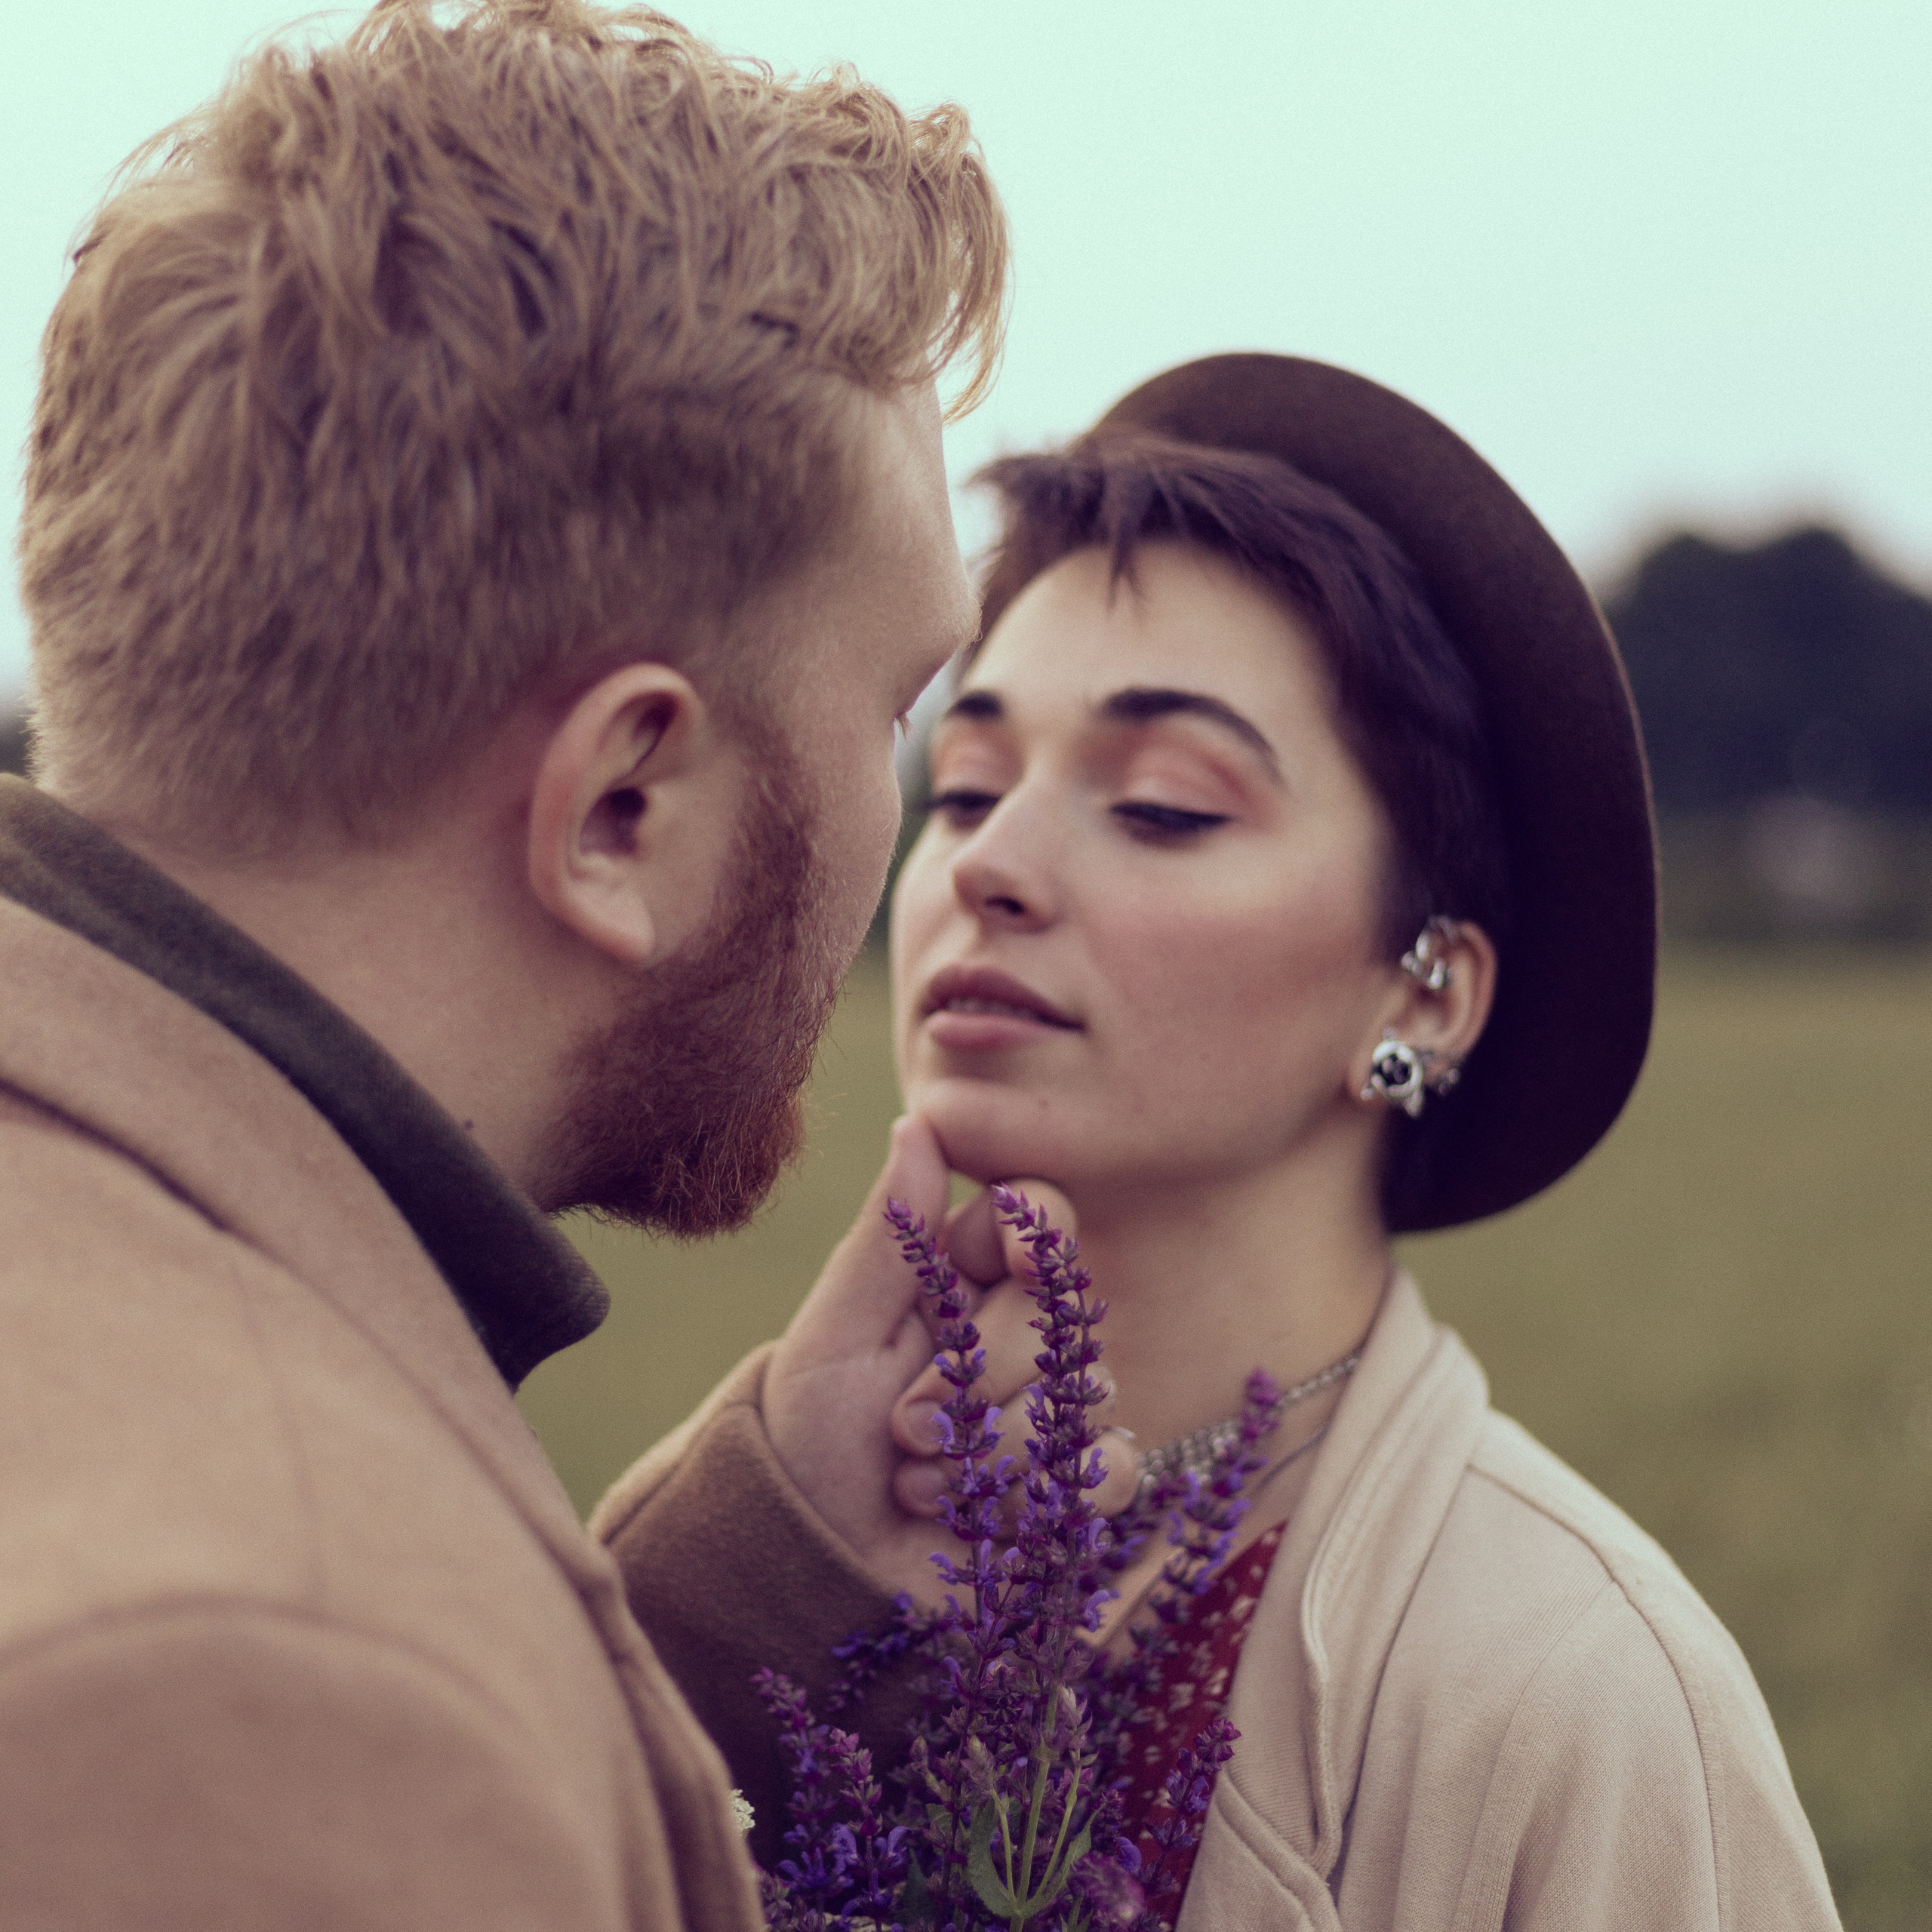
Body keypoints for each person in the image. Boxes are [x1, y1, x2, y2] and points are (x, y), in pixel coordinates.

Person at [0, 0, 1031, 1923]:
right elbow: (300, 1745)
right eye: (898, 709)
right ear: (621, 804)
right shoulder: (257, 1680)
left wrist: (725, 1601)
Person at [626, 358, 1844, 1928]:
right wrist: (742, 1592)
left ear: (1424, 993)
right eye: (967, 778)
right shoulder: (732, 1525)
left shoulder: (1579, 1698)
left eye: (1162, 803)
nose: (987, 861)